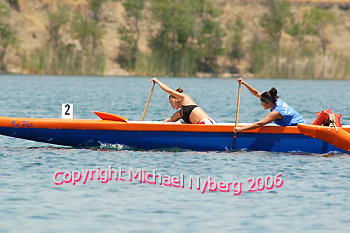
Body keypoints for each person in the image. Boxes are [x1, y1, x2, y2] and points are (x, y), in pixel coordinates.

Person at [234, 78, 306, 133]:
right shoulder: (275, 100)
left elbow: (260, 123)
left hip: (300, 130)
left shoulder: (275, 113)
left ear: (268, 102)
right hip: (301, 125)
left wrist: (241, 129)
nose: (261, 104)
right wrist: (244, 83)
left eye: (262, 101)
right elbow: (257, 93)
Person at [149, 77, 215, 124]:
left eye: (171, 102)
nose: (171, 105)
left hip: (207, 123)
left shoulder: (184, 98)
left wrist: (157, 81)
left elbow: (168, 90)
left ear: (177, 99)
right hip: (197, 126)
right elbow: (168, 120)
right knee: (177, 123)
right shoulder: (179, 114)